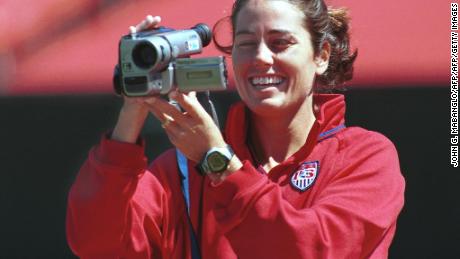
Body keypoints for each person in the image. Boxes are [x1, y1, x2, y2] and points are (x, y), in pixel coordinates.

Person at [66, 0, 405, 258]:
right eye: (245, 43)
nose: (260, 57)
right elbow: (96, 244)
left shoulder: (365, 156)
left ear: (321, 56)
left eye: (280, 42)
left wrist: (221, 164)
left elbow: (309, 249)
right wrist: (133, 108)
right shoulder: (183, 170)